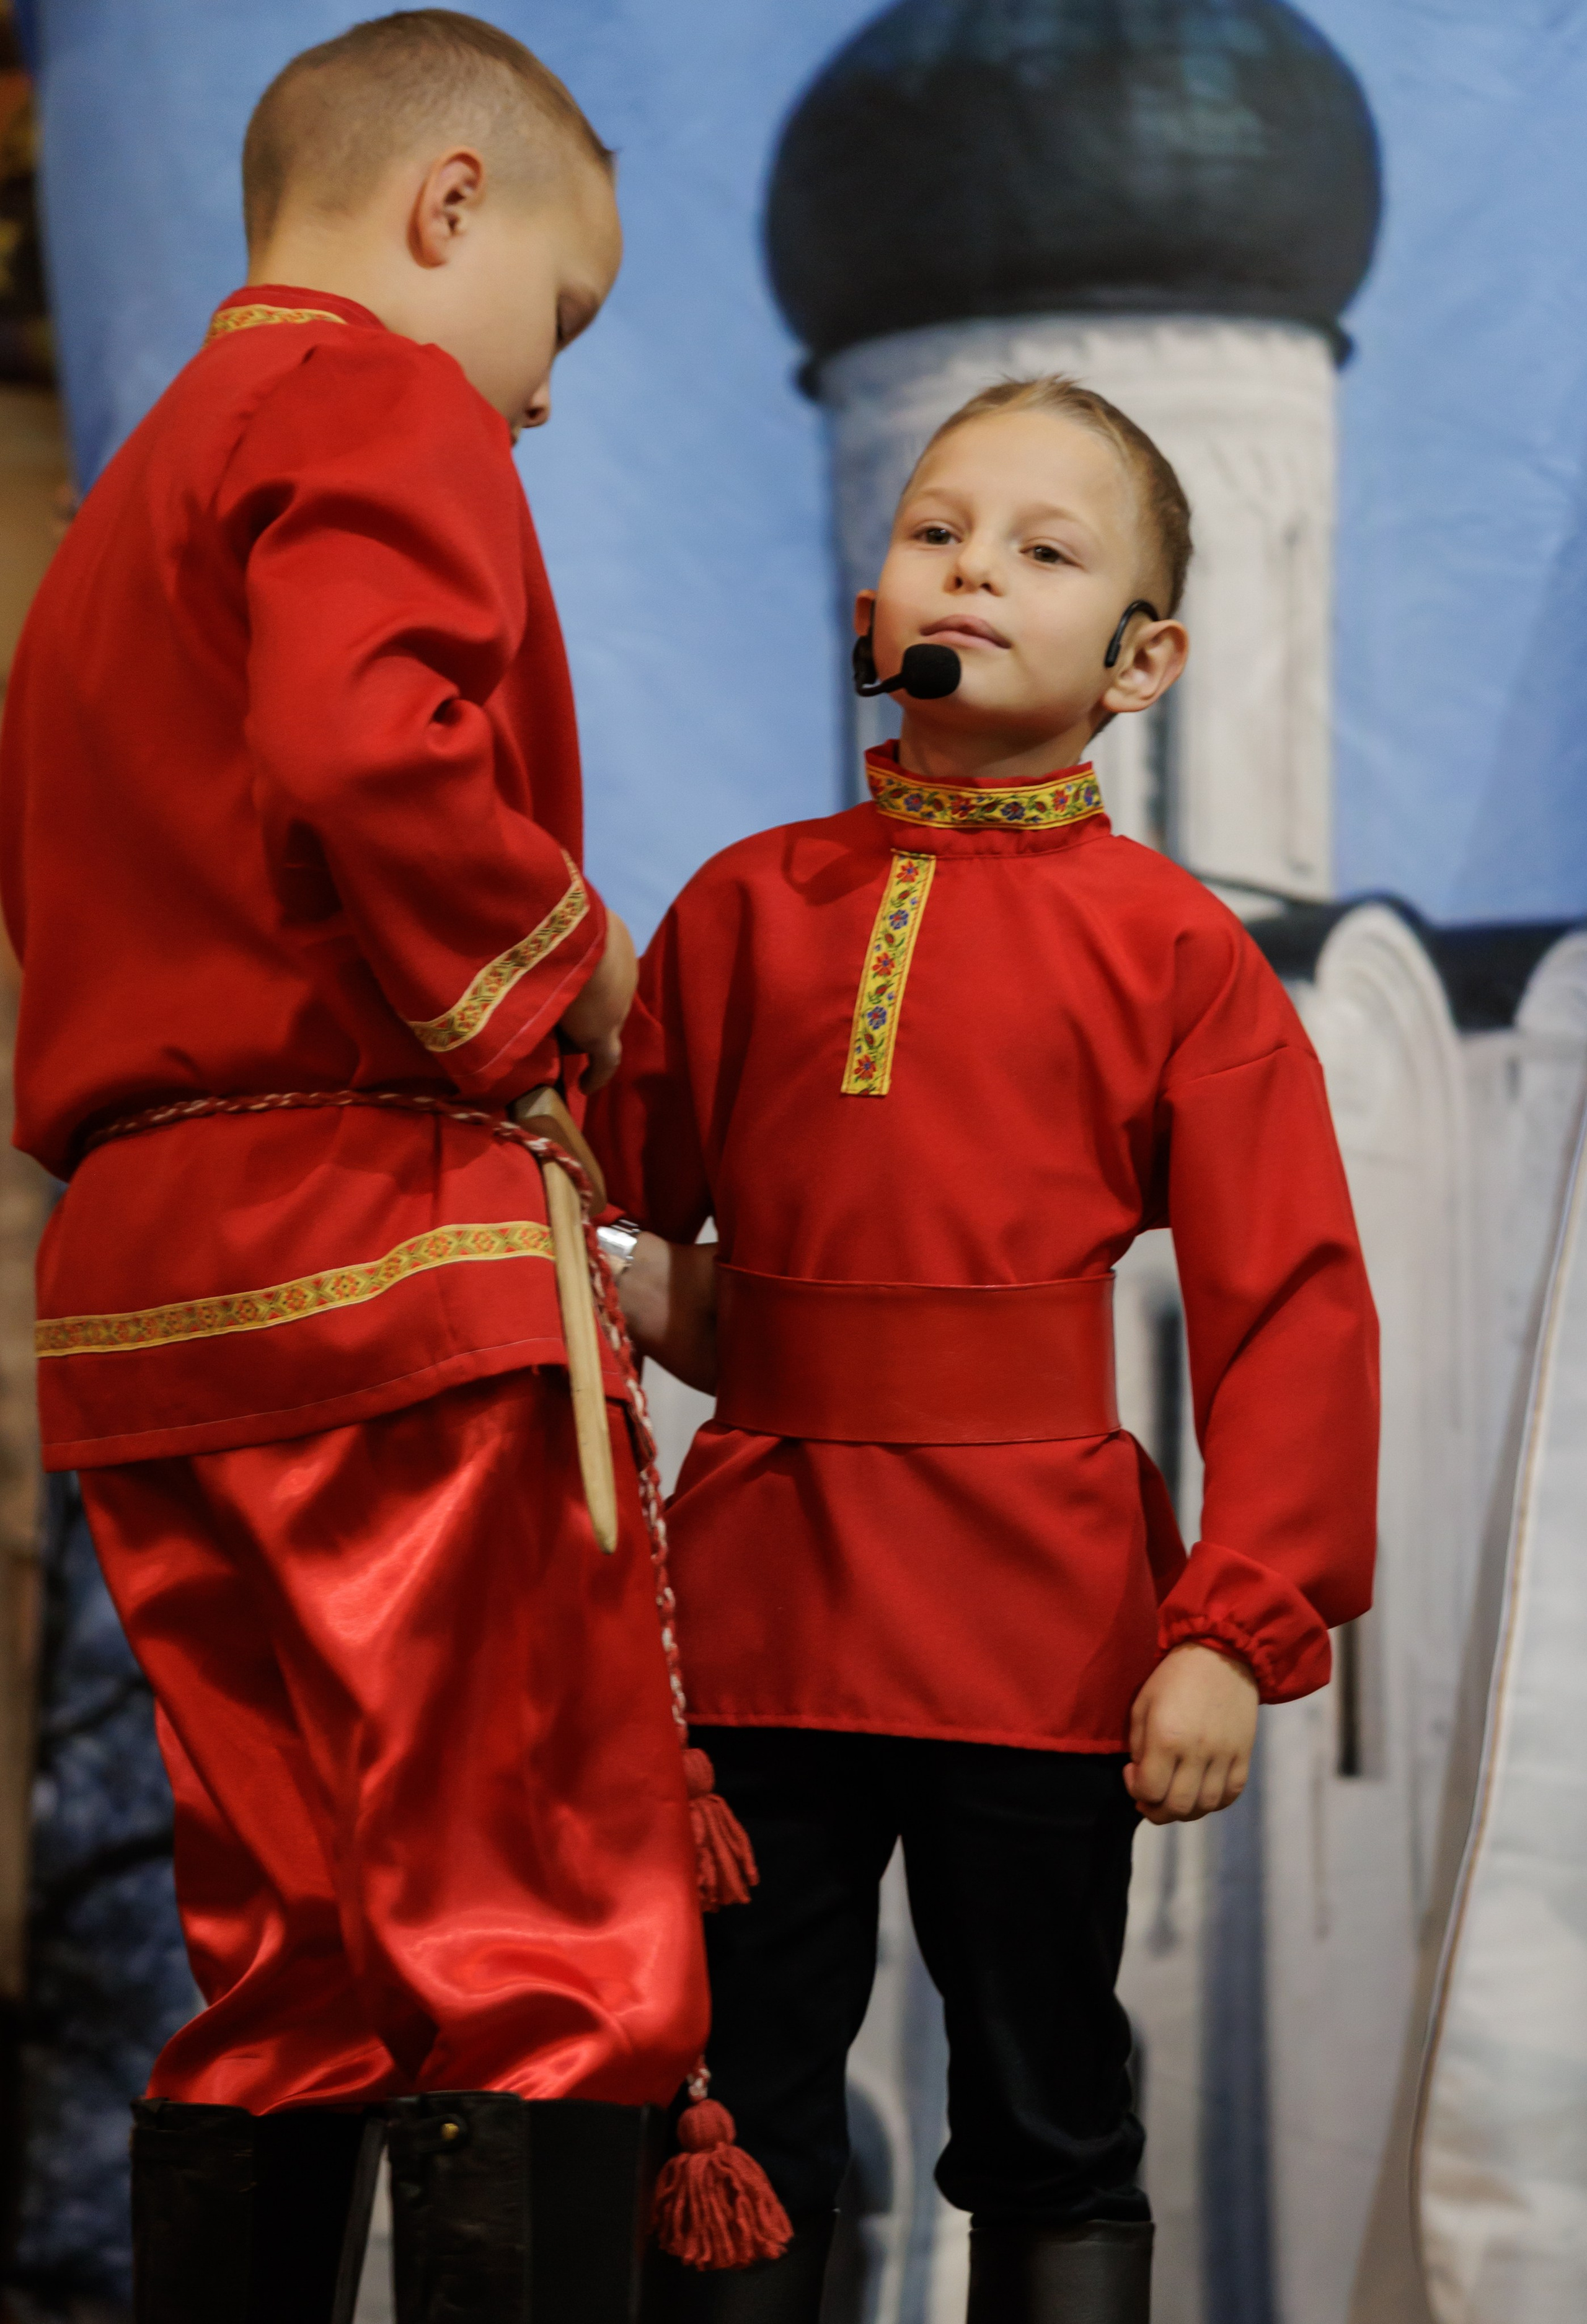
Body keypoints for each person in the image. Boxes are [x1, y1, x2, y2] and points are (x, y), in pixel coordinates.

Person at [1, 15, 718, 2320]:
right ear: (449, 209)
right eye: (561, 319)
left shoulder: (118, 510)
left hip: (142, 1298)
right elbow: (362, 741)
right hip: (371, 1261)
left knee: (285, 1963)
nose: (540, 394)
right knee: (532, 1933)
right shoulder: (373, 396)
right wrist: (582, 986)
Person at [592, 377, 1379, 2323]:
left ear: (1145, 660)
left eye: (1045, 549)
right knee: (735, 2097)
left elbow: (1292, 1304)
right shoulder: (742, 908)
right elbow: (623, 1225)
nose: (973, 570)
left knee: (1045, 2099)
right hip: (763, 1595)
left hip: (1041, 1616)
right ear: (870, 603)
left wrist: (1229, 1620)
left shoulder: (1176, 949)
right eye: (938, 531)